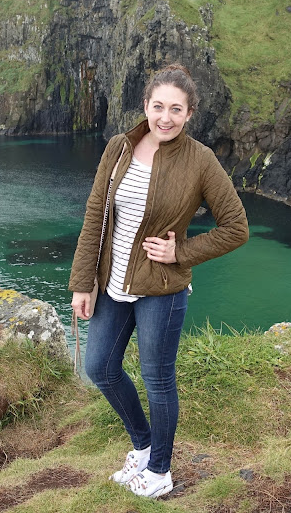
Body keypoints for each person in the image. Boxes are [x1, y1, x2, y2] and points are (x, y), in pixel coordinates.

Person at [69, 63, 249, 499]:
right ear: (145, 105)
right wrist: (83, 281)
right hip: (111, 284)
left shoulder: (201, 160)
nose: (165, 118)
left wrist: (180, 252)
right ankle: (144, 446)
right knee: (100, 367)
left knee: (158, 380)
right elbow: (95, 215)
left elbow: (236, 227)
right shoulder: (119, 147)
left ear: (190, 113)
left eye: (176, 109)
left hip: (162, 290)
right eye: (158, 107)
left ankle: (160, 471)